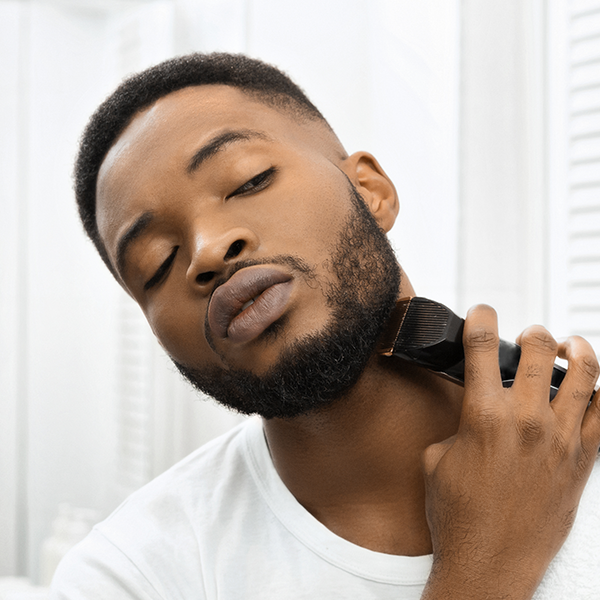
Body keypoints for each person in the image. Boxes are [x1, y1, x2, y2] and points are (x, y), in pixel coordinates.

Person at [51, 53, 600, 599]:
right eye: (158, 262)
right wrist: (484, 570)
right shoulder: (124, 577)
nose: (207, 251)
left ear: (369, 191)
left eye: (248, 180)